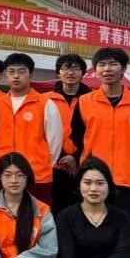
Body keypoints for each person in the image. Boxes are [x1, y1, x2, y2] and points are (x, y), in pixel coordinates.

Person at [64, 47, 130, 233]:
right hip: (94, 178)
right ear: (96, 70)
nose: (107, 69)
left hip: (127, 177)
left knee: (126, 231)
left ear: (123, 68)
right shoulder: (84, 102)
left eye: (113, 64)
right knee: (91, 229)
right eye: (101, 64)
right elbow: (77, 136)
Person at [0, 53, 63, 204]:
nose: (16, 76)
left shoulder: (45, 103)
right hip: (4, 173)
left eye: (21, 71)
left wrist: (43, 164)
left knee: (37, 216)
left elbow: (55, 142)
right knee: (5, 215)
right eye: (11, 71)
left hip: (36, 175)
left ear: (30, 74)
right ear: (5, 75)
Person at [46, 53, 89, 214]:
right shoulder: (45, 100)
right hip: (53, 165)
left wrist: (76, 157)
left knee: (83, 211)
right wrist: (62, 157)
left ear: (82, 73)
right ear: (58, 73)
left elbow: (95, 133)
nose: (70, 73)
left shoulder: (92, 99)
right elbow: (41, 133)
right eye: (65, 68)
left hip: (84, 164)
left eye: (75, 69)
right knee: (54, 211)